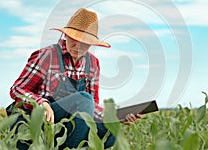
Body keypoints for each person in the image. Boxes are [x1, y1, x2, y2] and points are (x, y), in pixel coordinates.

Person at [9, 8, 141, 149]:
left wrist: (115, 117)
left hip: (69, 127)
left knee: (111, 131)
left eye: (84, 41)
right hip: (40, 122)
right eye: (73, 39)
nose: (77, 45)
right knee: (83, 99)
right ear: (66, 35)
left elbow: (91, 106)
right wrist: (41, 103)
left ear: (91, 44)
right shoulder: (48, 55)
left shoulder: (93, 64)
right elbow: (17, 89)